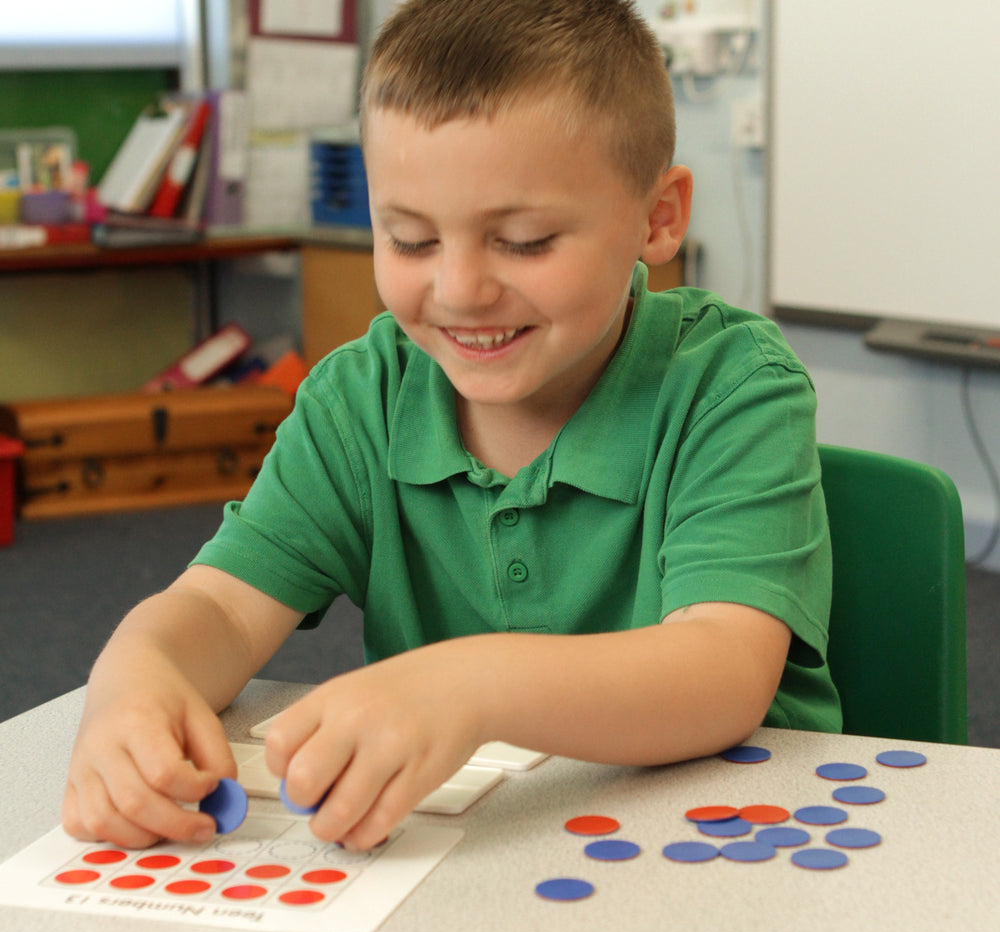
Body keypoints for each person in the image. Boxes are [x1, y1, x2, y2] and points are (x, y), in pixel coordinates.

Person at [62, 0, 841, 853]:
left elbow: (721, 672)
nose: (461, 289)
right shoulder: (360, 400)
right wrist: (136, 676)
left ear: (657, 218)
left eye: (525, 240)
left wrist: (473, 685)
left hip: (726, 847)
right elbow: (219, 606)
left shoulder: (731, 386)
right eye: (410, 239)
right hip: (480, 862)